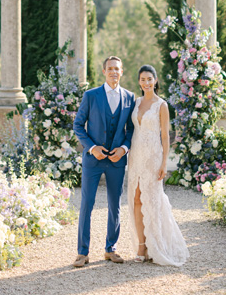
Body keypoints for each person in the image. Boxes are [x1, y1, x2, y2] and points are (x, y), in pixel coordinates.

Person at [71, 55, 136, 268]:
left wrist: (124, 149)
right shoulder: (91, 96)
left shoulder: (130, 97)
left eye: (117, 68)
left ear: (122, 71)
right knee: (87, 204)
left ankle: (111, 248)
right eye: (110, 68)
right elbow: (78, 125)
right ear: (103, 71)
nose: (113, 72)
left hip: (117, 161)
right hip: (93, 160)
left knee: (115, 206)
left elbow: (131, 129)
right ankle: (82, 252)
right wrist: (92, 147)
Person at [126, 64, 189, 266]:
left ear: (155, 81)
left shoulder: (161, 105)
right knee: (135, 198)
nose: (146, 83)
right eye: (142, 80)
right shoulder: (135, 103)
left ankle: (157, 244)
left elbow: (164, 136)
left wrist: (164, 163)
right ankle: (141, 246)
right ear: (139, 82)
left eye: (149, 79)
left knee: (152, 201)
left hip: (153, 157)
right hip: (136, 156)